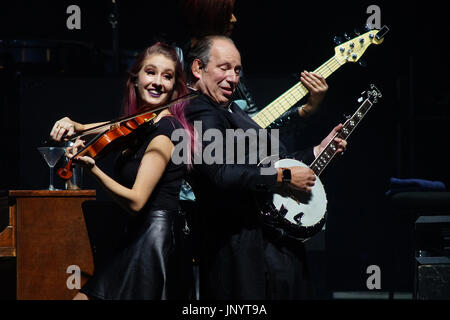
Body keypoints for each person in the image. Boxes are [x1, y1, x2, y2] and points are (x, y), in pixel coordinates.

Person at [183, 35, 347, 299]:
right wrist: (283, 177)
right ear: (197, 69)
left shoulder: (231, 110)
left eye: (237, 70)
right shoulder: (199, 110)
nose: (233, 78)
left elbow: (267, 162)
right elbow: (220, 173)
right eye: (224, 67)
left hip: (265, 242)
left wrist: (316, 151)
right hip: (236, 248)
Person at [50, 42, 196, 300]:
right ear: (136, 78)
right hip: (136, 235)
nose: (158, 82)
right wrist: (76, 126)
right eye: (150, 72)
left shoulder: (166, 131)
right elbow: (111, 127)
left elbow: (137, 201)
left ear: (174, 87)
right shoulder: (142, 125)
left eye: (167, 76)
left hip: (153, 241)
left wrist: (93, 169)